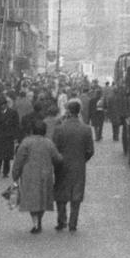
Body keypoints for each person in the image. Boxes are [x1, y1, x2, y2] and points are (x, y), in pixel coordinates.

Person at [52, 99, 95, 233]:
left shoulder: (59, 129)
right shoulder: (86, 129)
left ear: (68, 112)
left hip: (62, 164)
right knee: (76, 195)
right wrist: (82, 159)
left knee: (61, 193)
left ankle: (61, 220)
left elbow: (54, 148)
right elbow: (90, 151)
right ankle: (73, 223)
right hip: (78, 165)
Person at [11, 120, 59, 233]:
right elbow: (57, 158)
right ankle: (39, 220)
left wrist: (15, 175)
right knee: (42, 199)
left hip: (29, 175)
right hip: (45, 174)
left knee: (32, 199)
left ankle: (35, 223)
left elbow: (19, 160)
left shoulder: (26, 142)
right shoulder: (48, 142)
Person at [0, 93, 21, 180]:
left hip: (8, 137)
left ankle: (5, 172)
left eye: (3, 104)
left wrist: (15, 136)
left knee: (7, 157)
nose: (2, 106)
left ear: (6, 104)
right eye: (0, 105)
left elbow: (16, 125)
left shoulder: (13, 113)